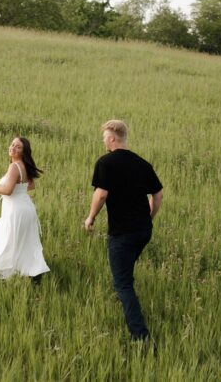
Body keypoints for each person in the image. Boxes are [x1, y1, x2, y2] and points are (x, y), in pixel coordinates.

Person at [84, 120, 163, 341]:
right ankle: (128, 300)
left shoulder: (106, 163)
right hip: (143, 231)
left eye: (104, 138)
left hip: (122, 233)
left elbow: (101, 195)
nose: (103, 142)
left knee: (123, 284)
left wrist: (90, 218)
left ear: (111, 138)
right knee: (125, 273)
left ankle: (140, 336)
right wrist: (149, 216)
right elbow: (158, 195)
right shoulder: (142, 163)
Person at [0, 136, 50, 281]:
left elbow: (7, 191)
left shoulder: (15, 166)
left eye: (18, 147)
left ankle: (4, 274)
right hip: (25, 207)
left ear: (23, 152)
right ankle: (31, 274)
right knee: (24, 242)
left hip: (16, 210)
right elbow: (30, 185)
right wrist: (21, 193)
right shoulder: (23, 165)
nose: (13, 148)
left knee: (6, 238)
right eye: (12, 144)